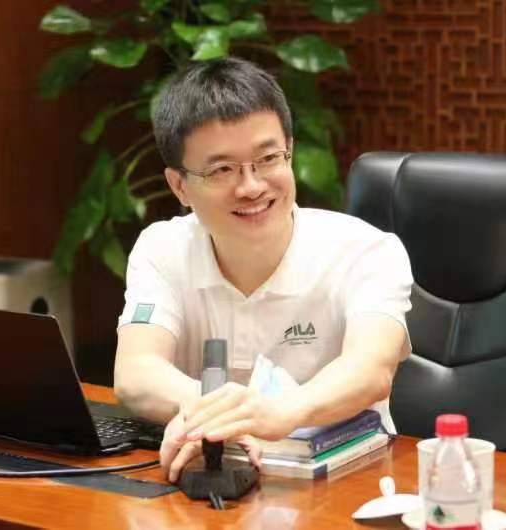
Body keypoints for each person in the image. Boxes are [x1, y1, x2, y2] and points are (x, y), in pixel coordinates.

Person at [113, 57, 413, 483]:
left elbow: (371, 370)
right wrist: (217, 416)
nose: (251, 186)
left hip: (345, 485)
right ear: (179, 186)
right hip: (212, 477)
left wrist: (279, 412)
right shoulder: (162, 249)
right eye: (222, 170)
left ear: (289, 151)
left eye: (268, 158)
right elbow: (136, 372)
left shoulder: (366, 250)